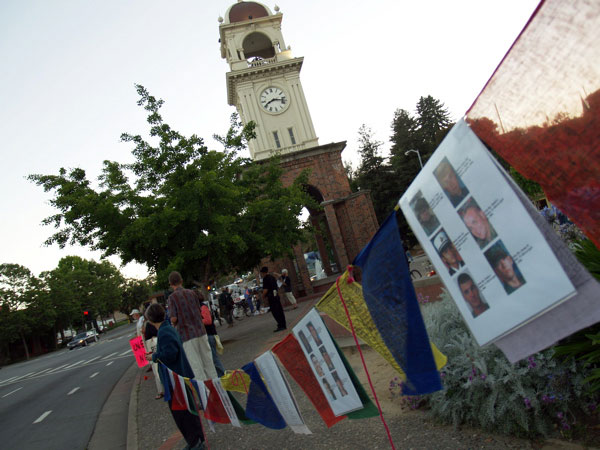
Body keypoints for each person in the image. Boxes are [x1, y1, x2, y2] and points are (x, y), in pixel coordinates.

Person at [145, 303, 206, 450]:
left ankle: (195, 442)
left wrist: (154, 356)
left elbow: (170, 354)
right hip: (180, 376)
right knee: (187, 411)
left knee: (182, 413)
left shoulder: (164, 332)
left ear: (150, 319)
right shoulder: (168, 329)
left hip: (175, 379)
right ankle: (197, 440)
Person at [167, 271, 217, 382]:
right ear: (181, 281)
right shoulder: (192, 293)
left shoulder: (172, 298)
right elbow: (199, 310)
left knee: (196, 366)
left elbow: (174, 318)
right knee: (209, 362)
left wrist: (173, 322)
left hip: (187, 335)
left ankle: (206, 394)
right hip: (201, 331)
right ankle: (216, 387)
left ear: (171, 284)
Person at [196, 291, 225, 377]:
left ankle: (222, 376)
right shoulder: (201, 307)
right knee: (212, 359)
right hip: (207, 335)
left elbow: (208, 320)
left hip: (209, 335)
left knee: (214, 359)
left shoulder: (202, 307)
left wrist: (196, 321)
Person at [143, 313, 164, 399]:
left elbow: (149, 334)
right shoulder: (160, 325)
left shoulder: (148, 324)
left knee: (156, 370)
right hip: (155, 345)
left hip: (152, 346)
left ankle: (161, 390)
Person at [261, 266, 286, 332]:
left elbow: (265, 289)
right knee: (280, 310)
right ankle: (283, 324)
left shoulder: (265, 279)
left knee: (275, 312)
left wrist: (263, 296)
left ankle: (280, 325)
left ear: (263, 273)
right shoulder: (272, 277)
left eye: (262, 273)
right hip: (276, 295)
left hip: (271, 297)